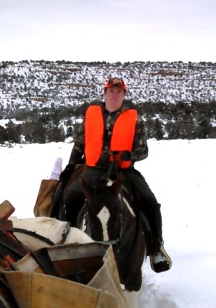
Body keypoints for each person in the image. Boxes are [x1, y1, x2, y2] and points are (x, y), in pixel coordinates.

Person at [59, 77, 172, 273]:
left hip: (123, 170)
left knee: (149, 201)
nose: (114, 94)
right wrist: (71, 165)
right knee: (70, 197)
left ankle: (155, 248)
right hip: (93, 168)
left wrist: (129, 155)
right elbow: (80, 143)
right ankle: (64, 243)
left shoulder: (133, 118)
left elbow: (143, 150)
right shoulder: (92, 115)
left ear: (124, 95)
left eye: (119, 91)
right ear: (105, 93)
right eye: (111, 91)